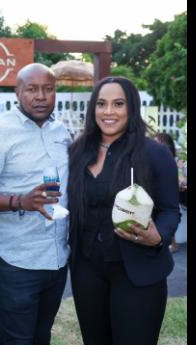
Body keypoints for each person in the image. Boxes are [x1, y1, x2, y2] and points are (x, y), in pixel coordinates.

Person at [67, 76, 180, 345]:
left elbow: (170, 210)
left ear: (132, 108)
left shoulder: (155, 154)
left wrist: (159, 237)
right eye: (101, 104)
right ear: (92, 108)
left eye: (118, 104)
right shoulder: (76, 152)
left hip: (137, 273)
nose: (108, 112)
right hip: (87, 272)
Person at [0, 63, 72, 345]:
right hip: (15, 264)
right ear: (17, 92)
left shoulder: (61, 132)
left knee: (41, 337)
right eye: (32, 89)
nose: (41, 96)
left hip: (57, 259)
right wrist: (19, 201)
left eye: (48, 89)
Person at [153, 132, 184, 253]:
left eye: (158, 142)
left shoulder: (174, 160)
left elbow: (180, 178)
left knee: (170, 217)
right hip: (161, 193)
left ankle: (172, 244)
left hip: (171, 193)